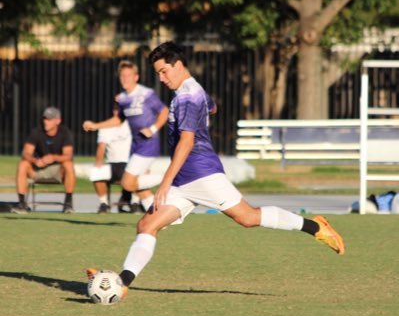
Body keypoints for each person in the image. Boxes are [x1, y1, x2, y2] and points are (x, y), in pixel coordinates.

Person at [86, 41, 345, 298]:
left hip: (202, 173)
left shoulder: (187, 97)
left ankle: (316, 227)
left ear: (178, 65)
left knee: (247, 218)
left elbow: (187, 141)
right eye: (158, 74)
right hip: (184, 178)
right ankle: (122, 282)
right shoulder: (190, 90)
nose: (162, 78)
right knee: (147, 224)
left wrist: (165, 182)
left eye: (164, 71)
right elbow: (212, 106)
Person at [83, 60, 169, 212]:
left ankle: (168, 181)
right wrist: (95, 126)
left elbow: (164, 111)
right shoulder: (122, 98)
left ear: (136, 77)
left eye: (128, 75)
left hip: (148, 145)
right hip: (135, 147)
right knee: (132, 184)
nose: (125, 79)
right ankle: (157, 212)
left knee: (127, 183)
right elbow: (118, 120)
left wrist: (153, 128)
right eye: (122, 76)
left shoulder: (146, 94)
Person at [12, 106, 76, 214]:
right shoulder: (36, 131)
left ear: (58, 121)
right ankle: (22, 204)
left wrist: (53, 158)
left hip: (57, 171)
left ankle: (68, 204)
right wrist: (35, 160)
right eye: (45, 119)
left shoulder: (65, 132)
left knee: (69, 164)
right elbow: (25, 153)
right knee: (23, 164)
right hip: (38, 169)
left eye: (49, 119)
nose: (46, 122)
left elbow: (68, 155)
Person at [91, 104, 143, 214]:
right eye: (116, 109)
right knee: (96, 172)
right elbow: (101, 147)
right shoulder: (106, 126)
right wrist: (98, 163)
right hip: (112, 164)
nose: (117, 112)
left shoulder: (133, 125)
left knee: (141, 169)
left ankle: (135, 203)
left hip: (129, 163)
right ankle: (104, 204)